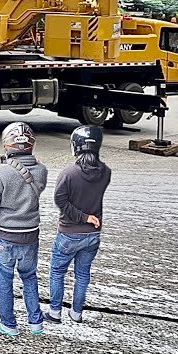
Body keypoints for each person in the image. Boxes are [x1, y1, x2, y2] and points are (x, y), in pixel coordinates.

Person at [0, 122, 48, 336]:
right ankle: (36, 322)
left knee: (4, 280)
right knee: (29, 277)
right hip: (31, 235)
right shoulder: (42, 171)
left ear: (7, 145)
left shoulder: (1, 173)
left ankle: (9, 324)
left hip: (5, 236)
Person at [48, 125, 111, 325]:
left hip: (69, 233)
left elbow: (60, 201)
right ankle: (76, 314)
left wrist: (82, 217)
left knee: (57, 272)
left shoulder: (69, 173)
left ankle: (55, 313)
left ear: (76, 146)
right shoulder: (106, 172)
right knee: (82, 274)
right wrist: (88, 219)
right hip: (93, 235)